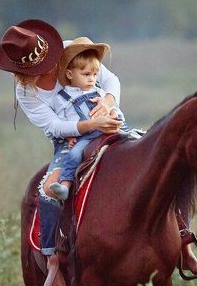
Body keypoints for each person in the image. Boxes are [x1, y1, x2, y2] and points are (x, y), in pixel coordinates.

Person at [0, 21, 122, 286]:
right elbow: (52, 125)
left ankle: (181, 238)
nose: (50, 69)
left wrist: (109, 102)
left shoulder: (71, 51)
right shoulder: (26, 91)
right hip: (69, 139)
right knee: (46, 195)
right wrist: (87, 125)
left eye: (51, 63)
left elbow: (109, 79)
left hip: (105, 122)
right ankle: (53, 257)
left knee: (149, 153)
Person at [43, 38, 131, 201]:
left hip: (107, 129)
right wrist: (68, 136)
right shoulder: (61, 99)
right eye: (86, 74)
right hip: (84, 136)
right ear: (70, 74)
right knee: (74, 155)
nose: (92, 79)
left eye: (94, 74)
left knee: (134, 142)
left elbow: (112, 110)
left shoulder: (99, 92)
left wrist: (112, 114)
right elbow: (61, 123)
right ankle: (65, 185)